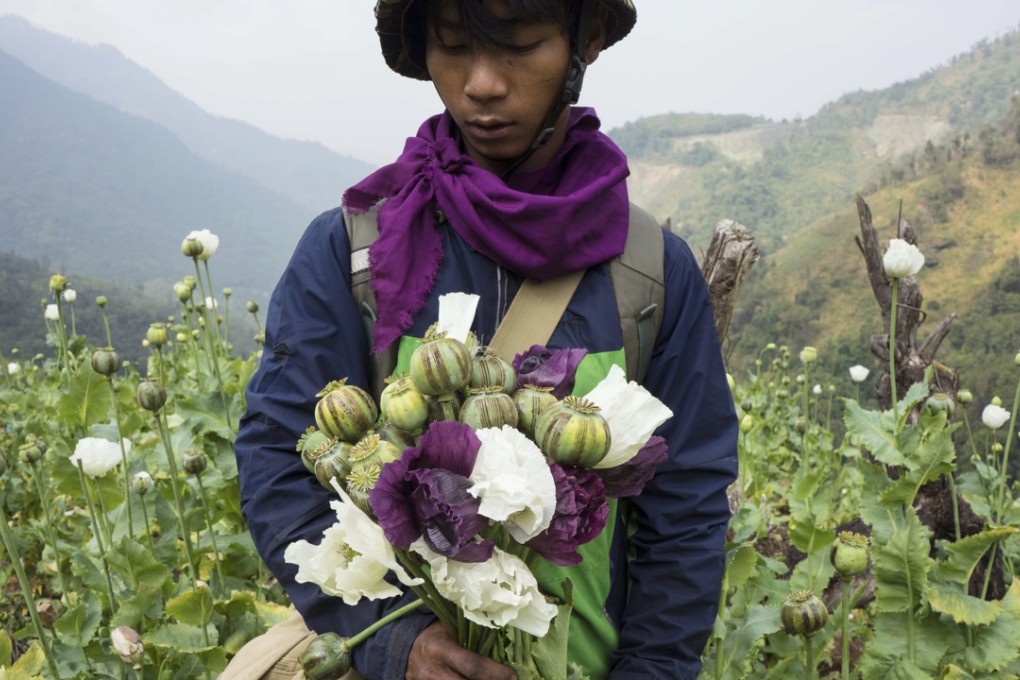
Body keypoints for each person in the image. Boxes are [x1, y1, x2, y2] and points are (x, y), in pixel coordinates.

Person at [230, 1, 738, 678]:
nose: (482, 84)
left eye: (521, 47)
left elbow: (689, 506)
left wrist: (649, 671)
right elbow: (278, 454)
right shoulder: (354, 251)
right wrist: (392, 644)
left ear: (583, 41)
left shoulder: (649, 273)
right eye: (453, 48)